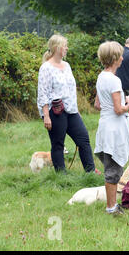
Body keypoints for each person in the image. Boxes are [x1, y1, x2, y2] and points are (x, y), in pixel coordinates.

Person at [37, 34, 99, 174]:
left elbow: (71, 91)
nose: (66, 48)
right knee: (58, 144)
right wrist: (46, 116)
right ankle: (61, 176)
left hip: (71, 111)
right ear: (57, 47)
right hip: (55, 111)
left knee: (83, 139)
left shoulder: (67, 66)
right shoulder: (46, 68)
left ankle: (90, 172)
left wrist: (77, 112)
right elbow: (43, 93)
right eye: (65, 46)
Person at [93, 41, 129, 215]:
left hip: (104, 125)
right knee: (114, 170)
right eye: (120, 55)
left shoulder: (101, 77)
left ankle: (112, 205)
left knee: (111, 167)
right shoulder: (114, 80)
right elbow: (119, 110)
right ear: (115, 59)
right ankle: (111, 207)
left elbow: (97, 105)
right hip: (114, 128)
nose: (122, 58)